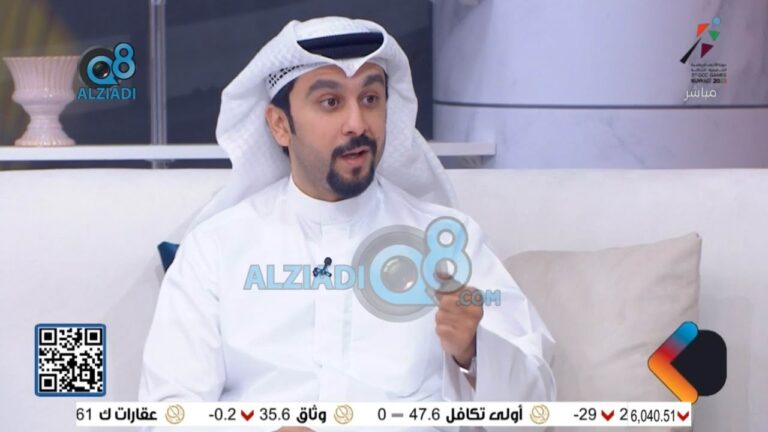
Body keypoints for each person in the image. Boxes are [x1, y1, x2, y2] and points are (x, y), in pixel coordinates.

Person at [139, 16, 555, 432]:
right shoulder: (216, 248)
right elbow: (167, 412)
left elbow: (537, 414)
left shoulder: (447, 242)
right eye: (331, 102)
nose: (357, 123)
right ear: (280, 125)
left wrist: (475, 352)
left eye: (370, 98)